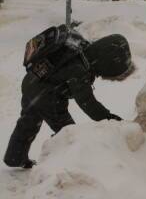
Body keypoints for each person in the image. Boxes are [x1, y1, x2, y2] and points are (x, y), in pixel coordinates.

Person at [3, 25, 135, 169]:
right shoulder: (79, 70)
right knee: (68, 134)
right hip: (46, 96)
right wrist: (110, 119)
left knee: (28, 123)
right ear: (107, 64)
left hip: (31, 82)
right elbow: (87, 103)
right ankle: (62, 170)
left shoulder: (81, 47)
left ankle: (14, 157)